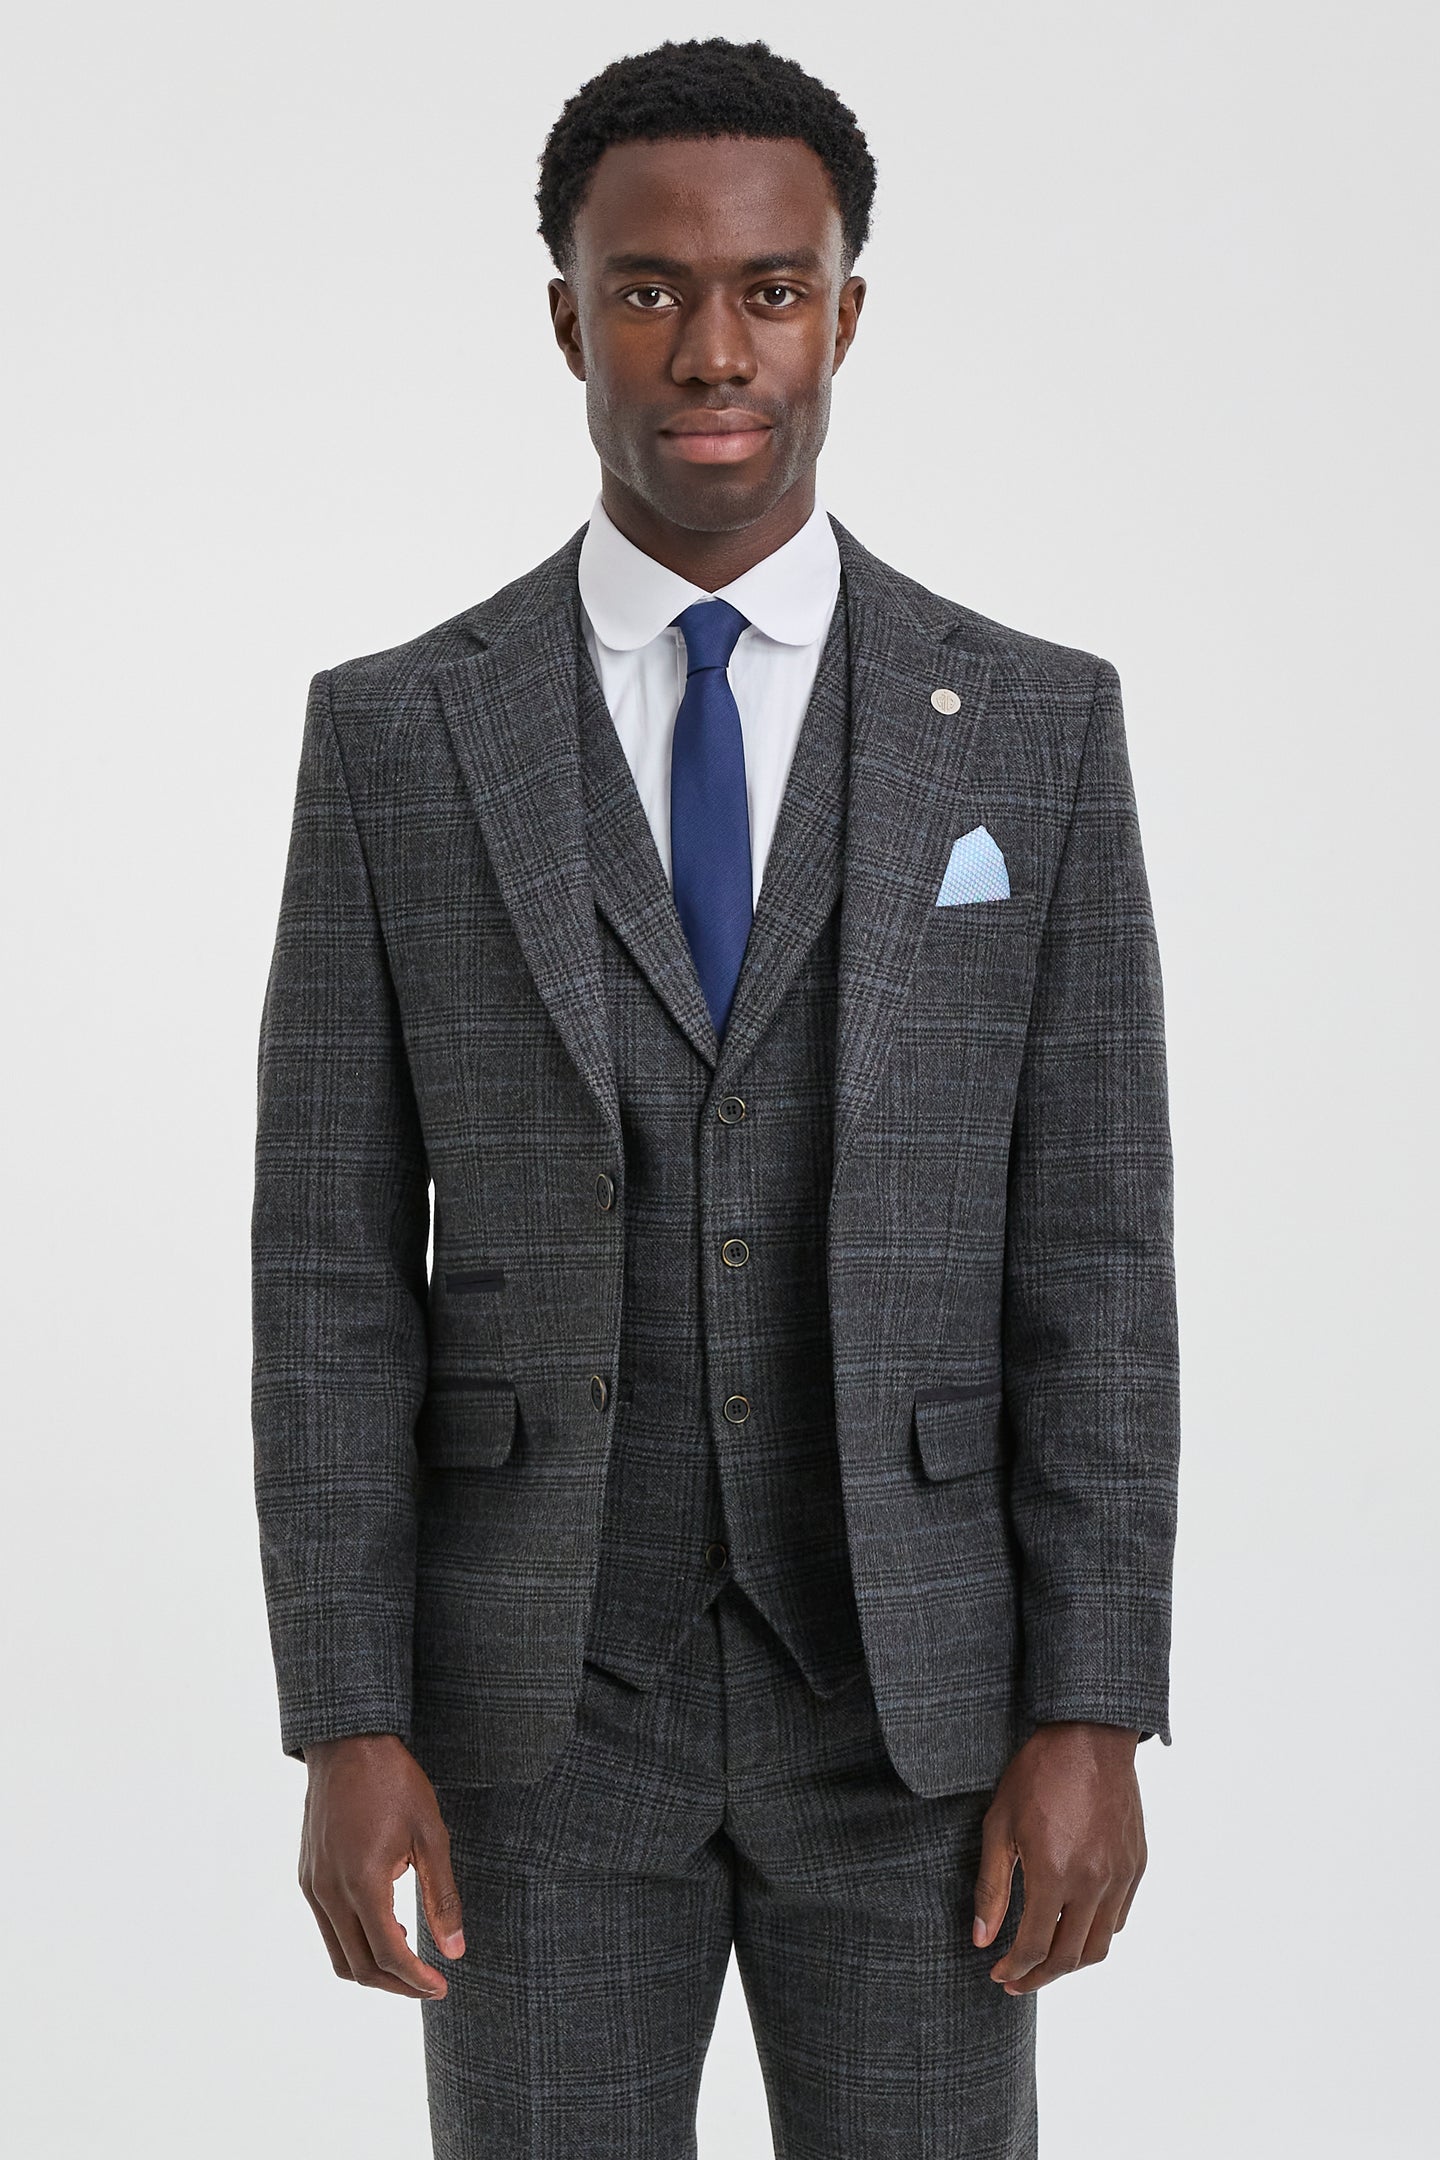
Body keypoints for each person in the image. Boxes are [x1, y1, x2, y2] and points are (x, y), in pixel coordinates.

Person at [251, 35, 1180, 2158]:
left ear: (845, 312)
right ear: (565, 315)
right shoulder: (399, 737)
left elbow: (1098, 1253)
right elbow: (326, 1272)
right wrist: (346, 1717)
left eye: (770, 289)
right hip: (534, 1720)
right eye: (649, 289)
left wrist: (1095, 1705)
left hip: (922, 1712)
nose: (711, 350)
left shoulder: (1032, 726)